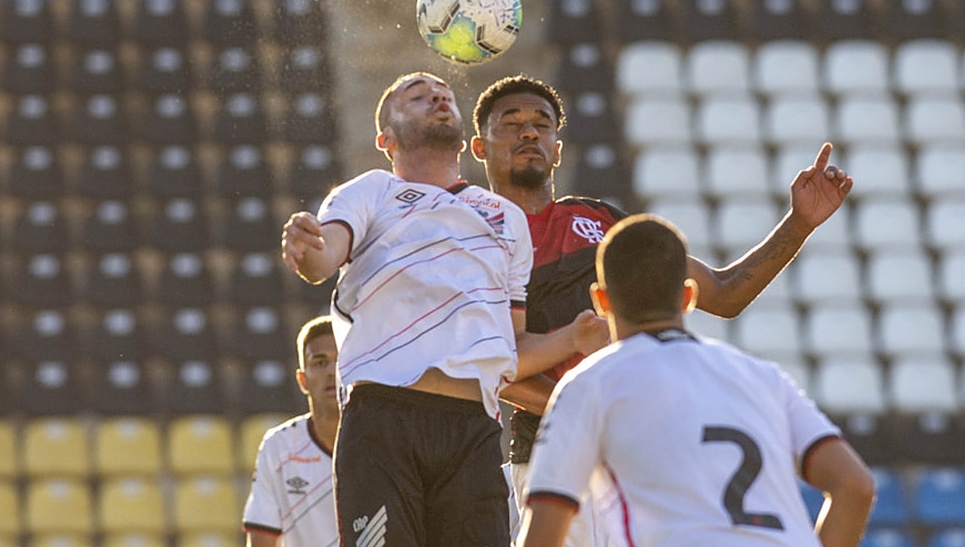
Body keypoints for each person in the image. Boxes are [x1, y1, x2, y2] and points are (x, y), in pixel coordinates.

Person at [468, 74, 855, 546]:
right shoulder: (468, 236)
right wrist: (584, 408)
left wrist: (798, 224)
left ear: (559, 149)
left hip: (644, 459)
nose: (529, 132)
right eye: (511, 123)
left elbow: (726, 293)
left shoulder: (603, 223)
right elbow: (484, 364)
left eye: (541, 124)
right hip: (552, 458)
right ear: (479, 147)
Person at [279, 72, 607, 547]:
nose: (436, 97)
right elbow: (322, 257)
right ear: (385, 137)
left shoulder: (505, 219)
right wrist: (306, 246)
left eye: (444, 95)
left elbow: (511, 349)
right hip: (382, 420)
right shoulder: (371, 192)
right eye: (416, 96)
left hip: (472, 430)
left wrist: (572, 339)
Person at [518, 214, 876, 547]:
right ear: (689, 296)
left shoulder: (590, 384)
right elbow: (855, 486)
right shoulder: (762, 376)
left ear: (601, 301)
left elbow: (543, 533)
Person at [242, 315, 340, 547]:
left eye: (341, 360)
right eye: (320, 362)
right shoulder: (279, 447)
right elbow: (261, 541)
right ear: (302, 380)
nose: (332, 371)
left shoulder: (386, 441)